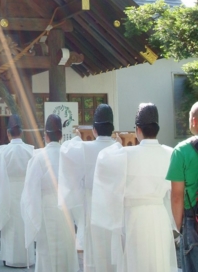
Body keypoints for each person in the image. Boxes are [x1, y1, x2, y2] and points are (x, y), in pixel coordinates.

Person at [91, 103, 177, 272]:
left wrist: (117, 144)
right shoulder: (171, 153)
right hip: (159, 215)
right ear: (157, 128)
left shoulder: (124, 154)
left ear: (138, 129)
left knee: (136, 262)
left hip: (134, 217)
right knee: (158, 261)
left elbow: (103, 161)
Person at [58, 103, 117, 272]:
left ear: (94, 130)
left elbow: (65, 151)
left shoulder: (84, 148)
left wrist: (77, 137)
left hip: (93, 205)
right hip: (114, 206)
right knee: (114, 250)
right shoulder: (119, 149)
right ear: (112, 128)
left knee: (94, 252)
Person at [21, 114, 79, 272]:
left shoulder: (39, 158)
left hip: (46, 210)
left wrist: (34, 218)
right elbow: (76, 186)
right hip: (66, 210)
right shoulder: (69, 156)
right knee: (66, 250)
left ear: (45, 135)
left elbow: (30, 193)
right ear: (61, 135)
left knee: (47, 253)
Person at [0, 114, 35, 268]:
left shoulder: (4, 152)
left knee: (11, 224)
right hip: (27, 190)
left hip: (8, 191)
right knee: (25, 222)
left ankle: (11, 258)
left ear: (8, 133)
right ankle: (28, 257)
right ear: (21, 132)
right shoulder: (31, 151)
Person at [166, 101, 198, 272]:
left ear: (193, 121)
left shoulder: (181, 152)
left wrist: (180, 227)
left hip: (193, 221)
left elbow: (177, 196)